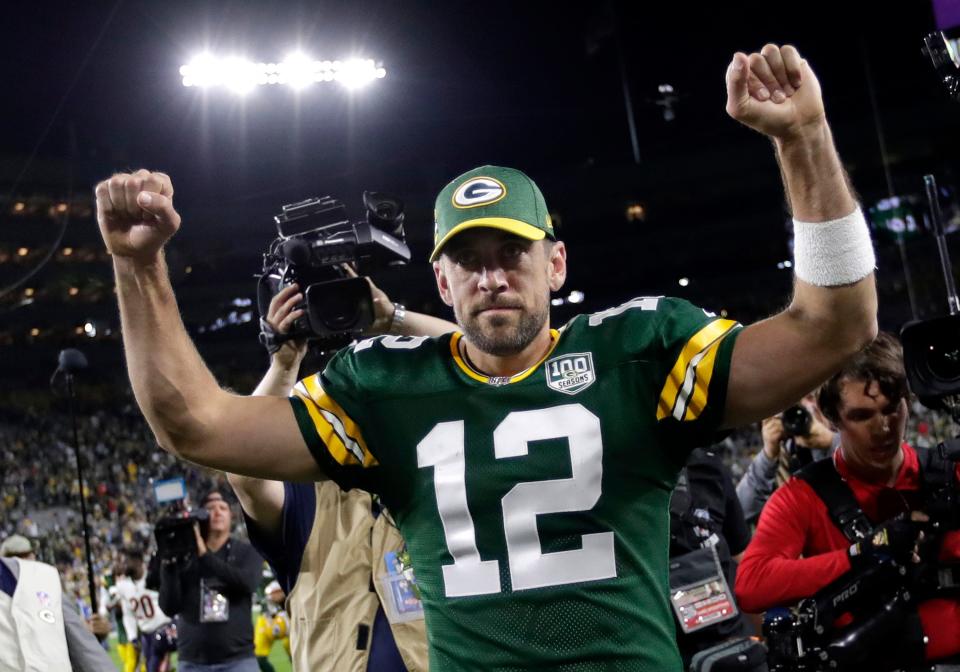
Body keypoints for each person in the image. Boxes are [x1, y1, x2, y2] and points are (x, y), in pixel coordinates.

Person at [97, 43, 878, 670]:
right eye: (468, 260)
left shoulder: (638, 350)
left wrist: (804, 138)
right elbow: (195, 425)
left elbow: (831, 328)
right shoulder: (386, 387)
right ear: (442, 279)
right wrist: (138, 268)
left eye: (513, 251)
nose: (492, 275)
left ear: (558, 264)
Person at [229, 280, 450, 671]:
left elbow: (494, 367)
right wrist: (283, 364)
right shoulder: (305, 498)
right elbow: (245, 469)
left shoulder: (434, 480)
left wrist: (393, 319)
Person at [735, 333, 960, 668]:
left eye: (891, 409)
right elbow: (751, 584)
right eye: (862, 415)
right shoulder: (803, 495)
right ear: (831, 417)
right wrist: (861, 554)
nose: (883, 428)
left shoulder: (948, 472)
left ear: (907, 402)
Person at [157, 489, 263, 671]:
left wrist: (204, 556)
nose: (217, 512)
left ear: (231, 515)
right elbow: (169, 607)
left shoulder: (246, 551)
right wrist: (168, 564)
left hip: (238, 661)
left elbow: (248, 583)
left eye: (223, 508)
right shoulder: (183, 556)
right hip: (191, 662)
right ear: (200, 517)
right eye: (211, 508)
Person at [669, 445, 754, 666]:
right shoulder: (623, 476)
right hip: (666, 646)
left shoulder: (708, 465)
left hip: (727, 641)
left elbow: (742, 556)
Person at [0, 548, 115, 670]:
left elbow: (85, 651)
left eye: (28, 555)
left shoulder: (42, 579)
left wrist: (91, 633)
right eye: (17, 555)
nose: (26, 560)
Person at [735, 395, 838, 522]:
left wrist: (831, 442)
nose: (806, 407)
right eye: (798, 402)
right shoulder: (786, 451)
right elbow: (740, 511)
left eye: (810, 398)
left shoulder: (847, 433)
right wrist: (768, 455)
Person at [115, 547, 173, 672]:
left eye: (126, 562)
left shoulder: (154, 575)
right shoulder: (123, 586)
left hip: (164, 627)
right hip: (146, 633)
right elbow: (128, 614)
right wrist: (133, 637)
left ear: (138, 561)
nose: (123, 566)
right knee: (150, 667)